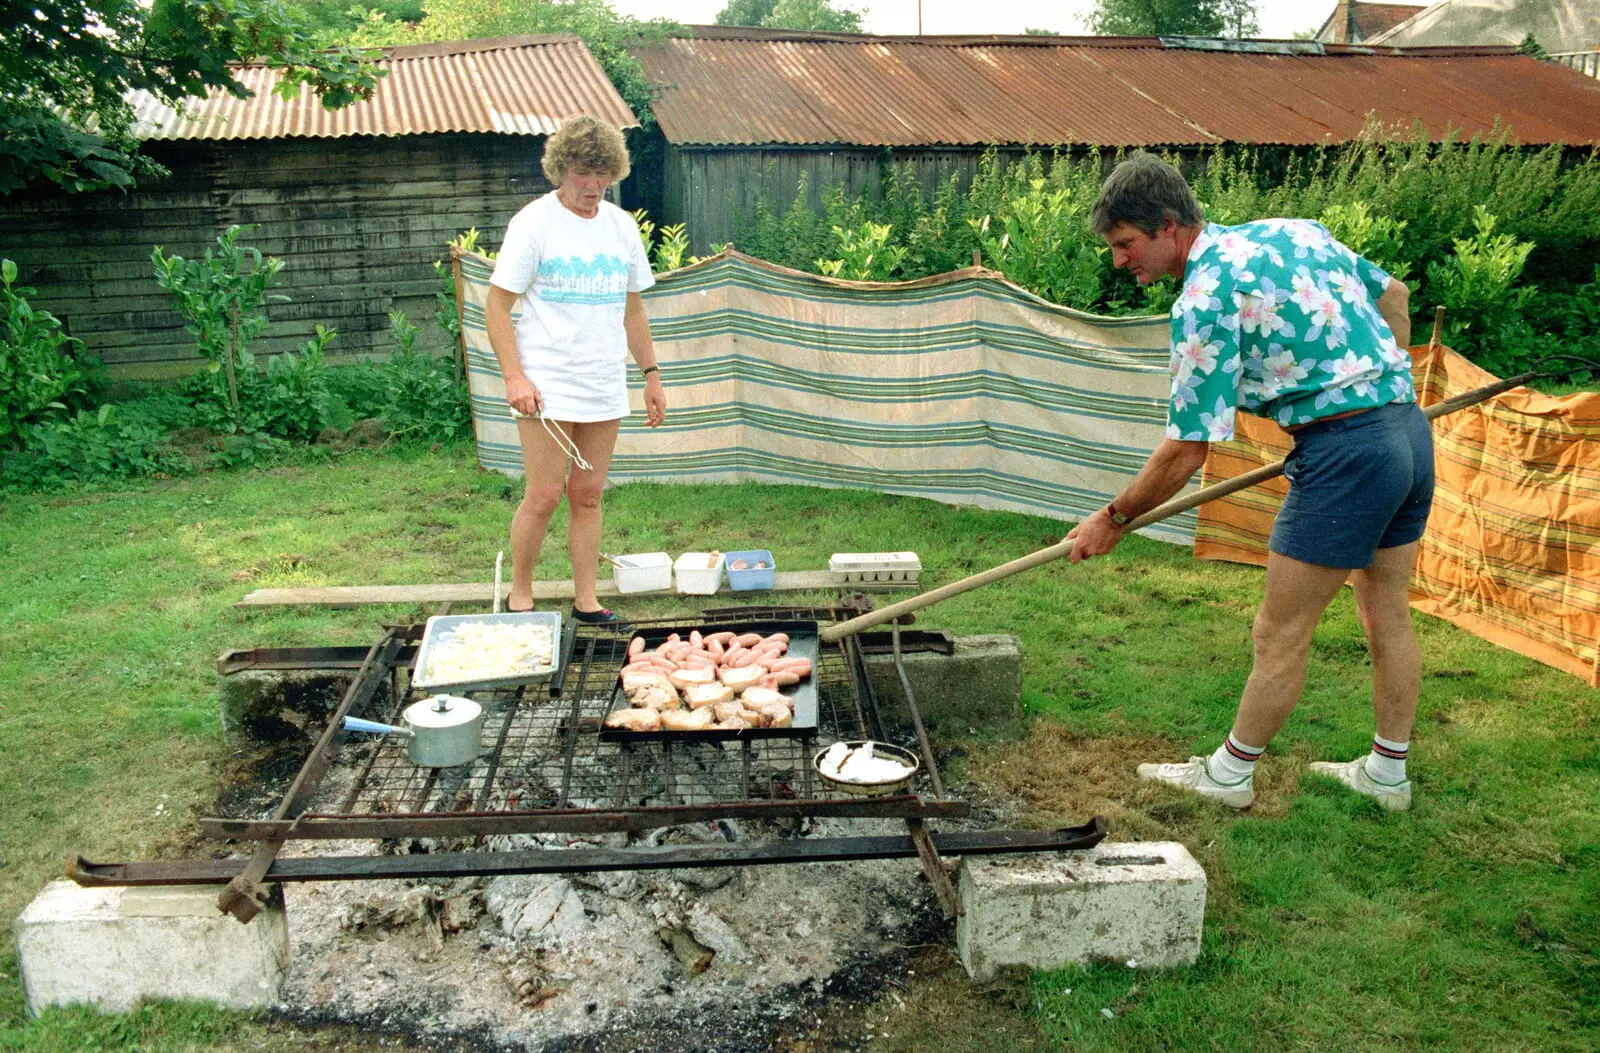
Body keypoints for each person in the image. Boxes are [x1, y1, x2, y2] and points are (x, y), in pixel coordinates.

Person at [1067, 152, 1431, 812]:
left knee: (1279, 630)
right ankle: (1387, 774)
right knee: (1387, 608)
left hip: (1347, 454)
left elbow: (1186, 450)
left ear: (1168, 226)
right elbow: (1395, 297)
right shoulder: (1291, 231)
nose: (1121, 261)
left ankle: (1229, 776)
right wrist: (1388, 390)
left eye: (1126, 244)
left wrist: (1113, 517)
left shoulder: (1204, 298)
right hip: (1406, 431)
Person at [485, 115, 666, 624]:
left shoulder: (621, 226)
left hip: (602, 380)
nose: (592, 185)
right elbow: (496, 308)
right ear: (561, 169)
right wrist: (515, 377)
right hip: (546, 383)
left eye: (602, 173)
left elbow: (632, 310)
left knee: (587, 494)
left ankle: (586, 601)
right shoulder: (533, 223)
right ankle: (521, 595)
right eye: (583, 173)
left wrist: (651, 375)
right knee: (543, 495)